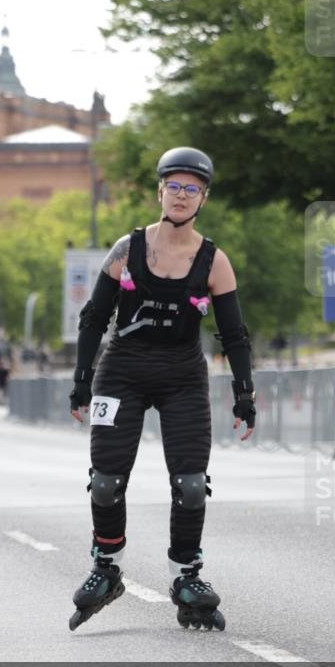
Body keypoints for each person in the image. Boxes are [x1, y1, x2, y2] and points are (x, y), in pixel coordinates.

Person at [68, 147, 256, 632]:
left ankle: (186, 577)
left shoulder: (215, 262)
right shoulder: (126, 250)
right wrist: (82, 383)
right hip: (121, 374)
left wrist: (244, 395)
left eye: (191, 188)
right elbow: (93, 319)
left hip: (182, 379)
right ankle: (106, 570)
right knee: (107, 483)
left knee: (191, 487)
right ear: (159, 191)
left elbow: (233, 335)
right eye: (173, 186)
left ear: (203, 198)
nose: (181, 195)